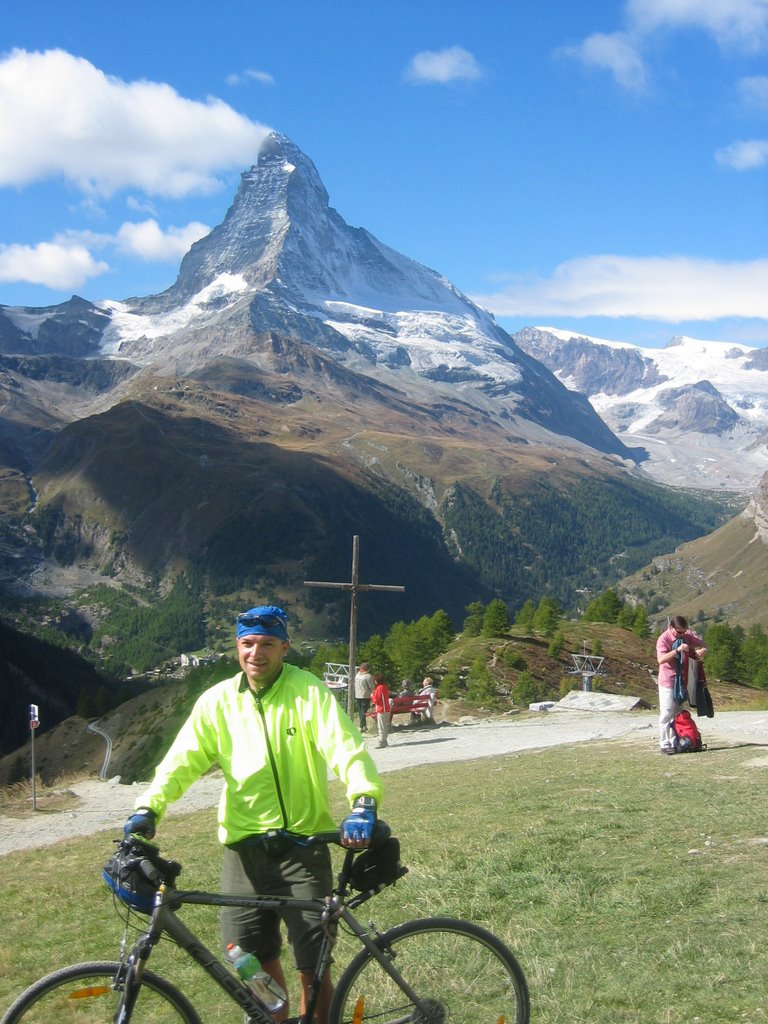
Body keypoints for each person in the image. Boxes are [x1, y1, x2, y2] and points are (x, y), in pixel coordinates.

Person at [123, 605, 383, 1024]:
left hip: (303, 849)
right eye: (247, 644)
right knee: (249, 960)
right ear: (236, 646)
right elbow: (180, 762)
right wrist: (148, 807)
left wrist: (363, 800)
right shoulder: (217, 703)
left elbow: (346, 748)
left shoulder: (308, 692)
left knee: (312, 967)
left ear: (285, 647)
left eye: (266, 644)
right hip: (243, 854)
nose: (255, 654)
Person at [656, 615, 707, 754]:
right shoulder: (663, 639)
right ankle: (664, 743)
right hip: (667, 680)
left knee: (678, 713)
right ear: (671, 628)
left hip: (682, 680)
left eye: (684, 631)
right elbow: (661, 659)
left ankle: (676, 741)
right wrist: (677, 650)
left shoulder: (686, 636)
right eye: (679, 632)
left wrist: (703, 650)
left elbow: (703, 644)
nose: (682, 634)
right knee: (667, 713)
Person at [370, 672, 391, 749]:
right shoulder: (385, 686)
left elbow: (376, 700)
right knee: (384, 726)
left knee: (381, 726)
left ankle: (381, 741)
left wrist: (372, 696)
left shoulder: (379, 688)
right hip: (387, 709)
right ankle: (384, 740)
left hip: (381, 709)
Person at [353, 662, 374, 732]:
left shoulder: (357, 676)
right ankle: (361, 726)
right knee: (364, 712)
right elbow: (372, 687)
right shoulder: (368, 676)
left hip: (357, 695)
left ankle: (364, 726)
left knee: (360, 711)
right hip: (365, 696)